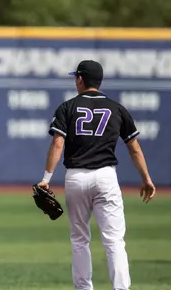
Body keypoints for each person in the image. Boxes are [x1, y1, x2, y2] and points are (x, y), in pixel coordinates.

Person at [37, 60, 156, 290]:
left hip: (76, 177)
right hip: (105, 177)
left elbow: (57, 143)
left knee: (80, 240)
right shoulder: (117, 108)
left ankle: (83, 288)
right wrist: (146, 179)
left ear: (80, 79)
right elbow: (134, 147)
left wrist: (46, 178)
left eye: (76, 77)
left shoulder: (67, 107)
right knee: (114, 241)